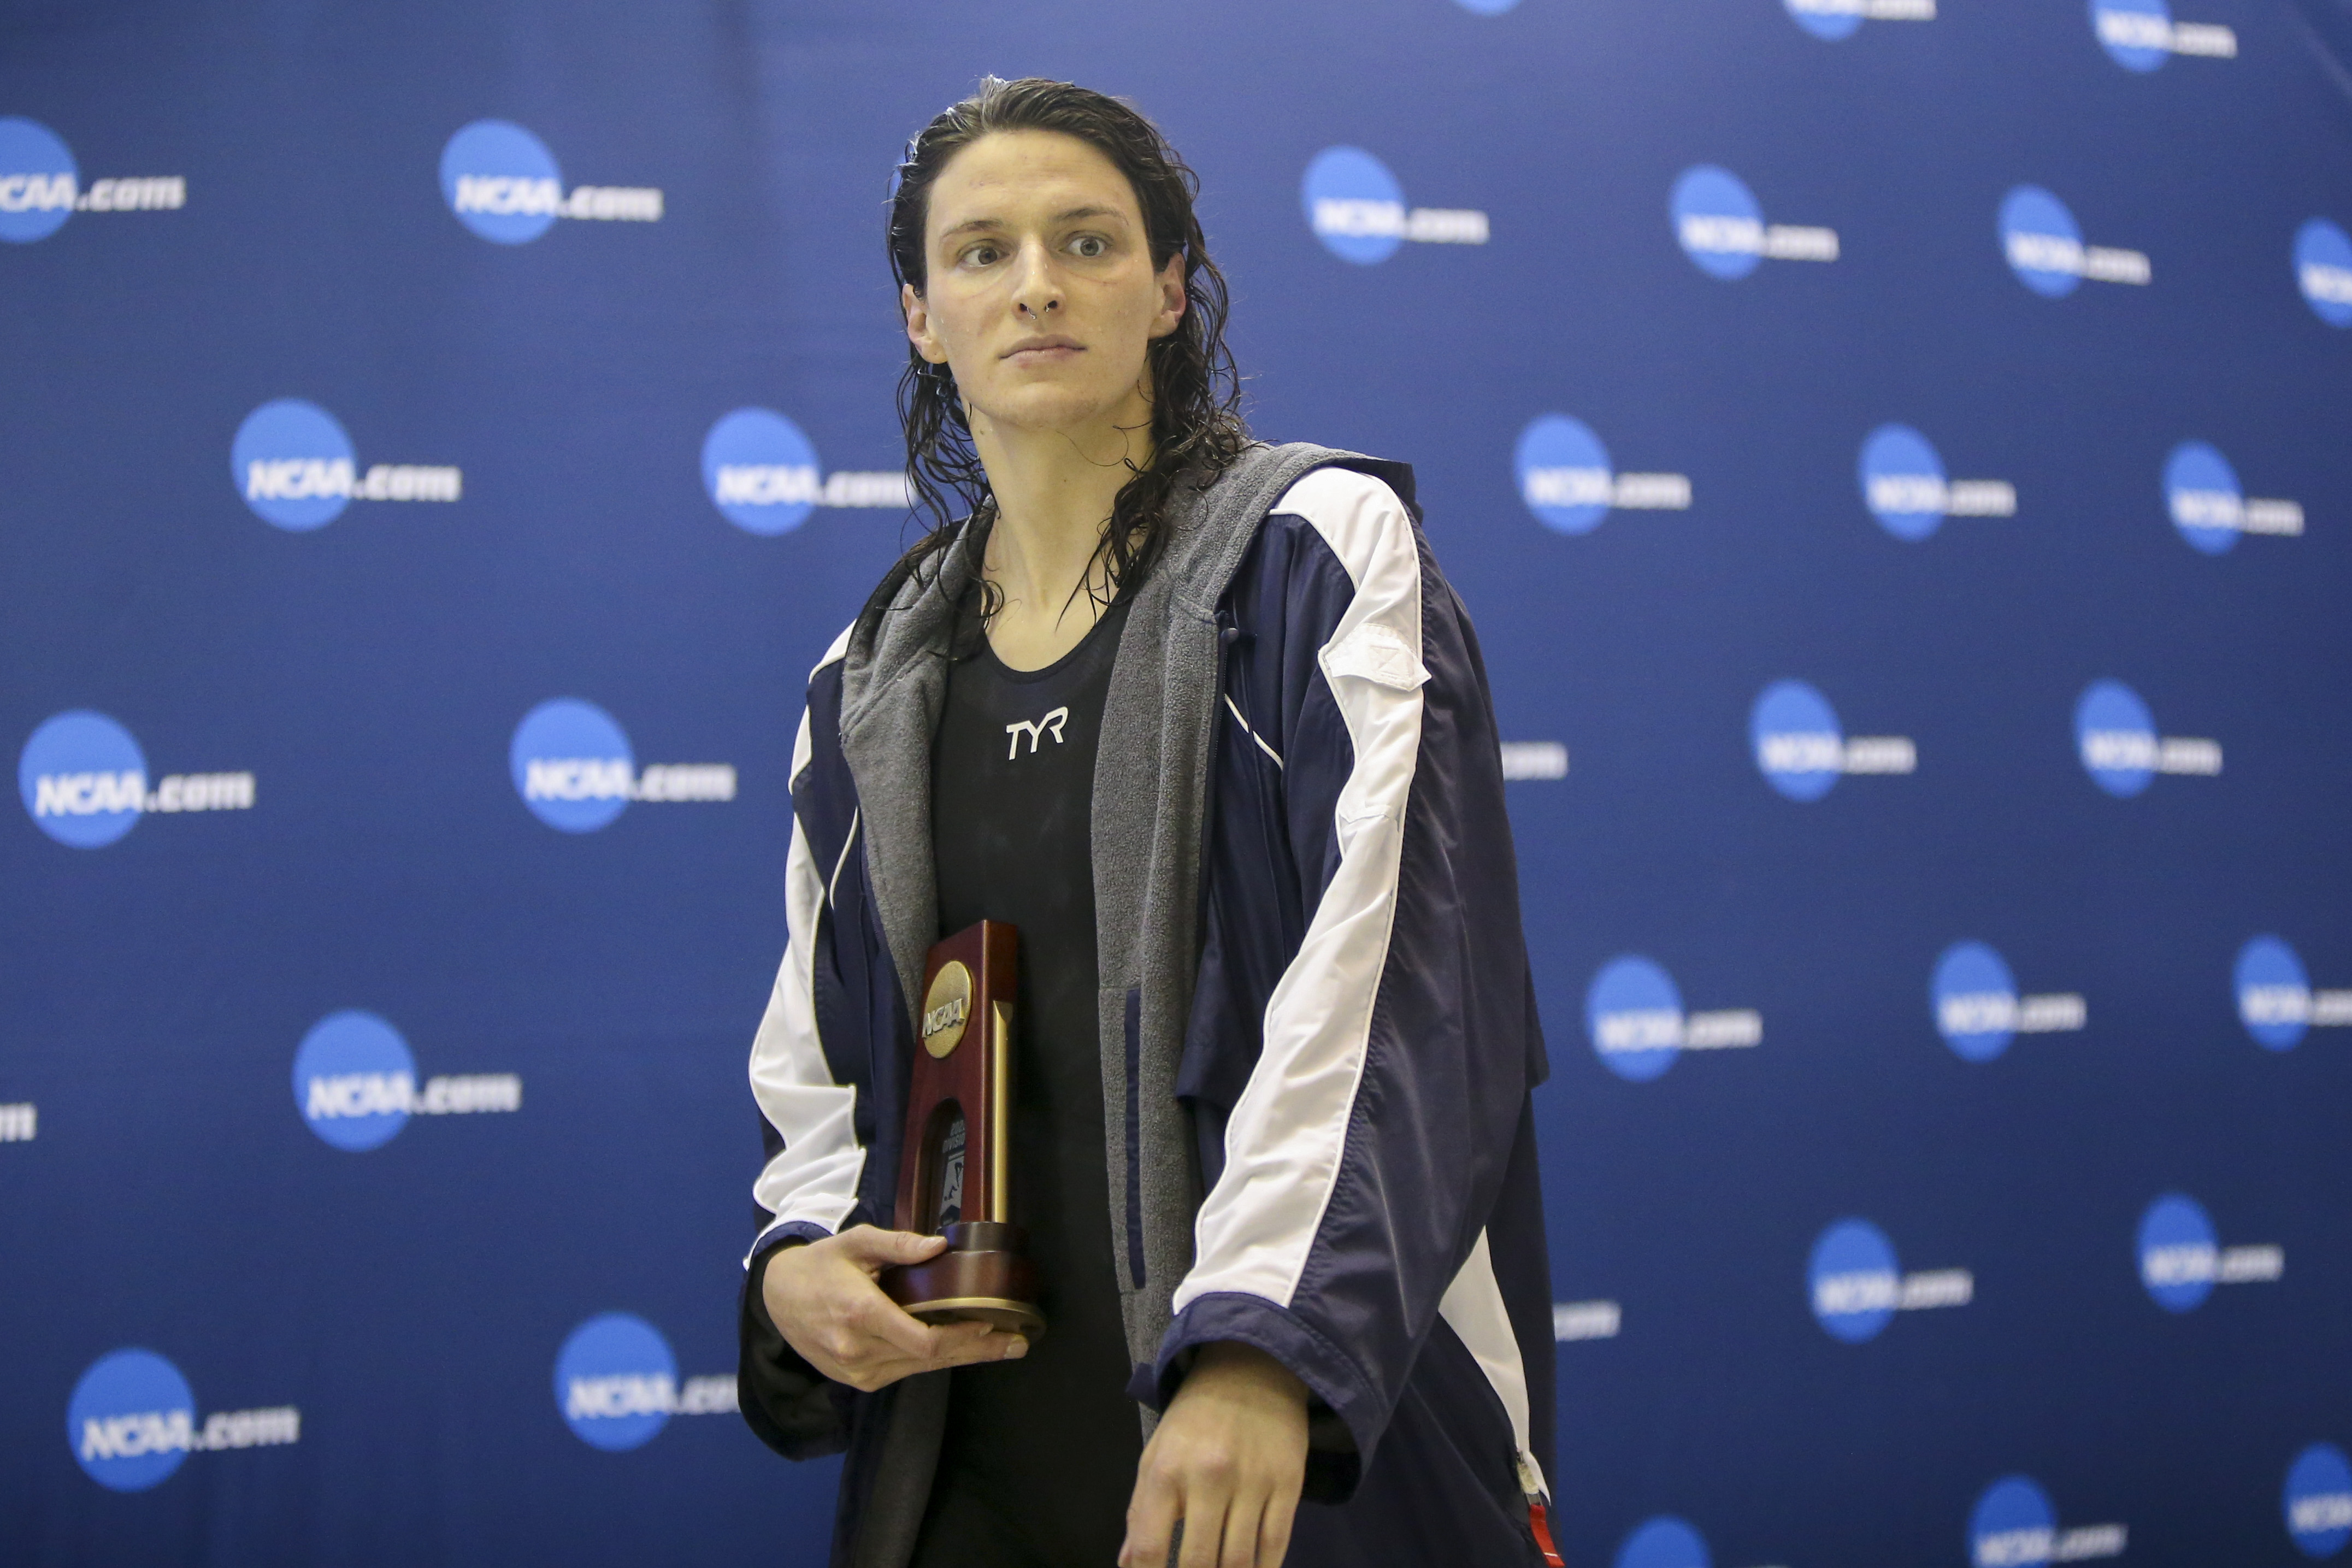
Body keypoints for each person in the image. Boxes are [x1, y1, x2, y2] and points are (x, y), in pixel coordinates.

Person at [736, 76, 1559, 1568]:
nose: (1036, 283)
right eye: (980, 251)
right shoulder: (863, 681)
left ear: (1170, 290)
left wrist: (1260, 1344)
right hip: (966, 1476)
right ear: (921, 315)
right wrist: (796, 1264)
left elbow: (1400, 991)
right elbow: (824, 1079)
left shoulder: (1313, 556)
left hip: (1289, 1447)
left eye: (1089, 243)